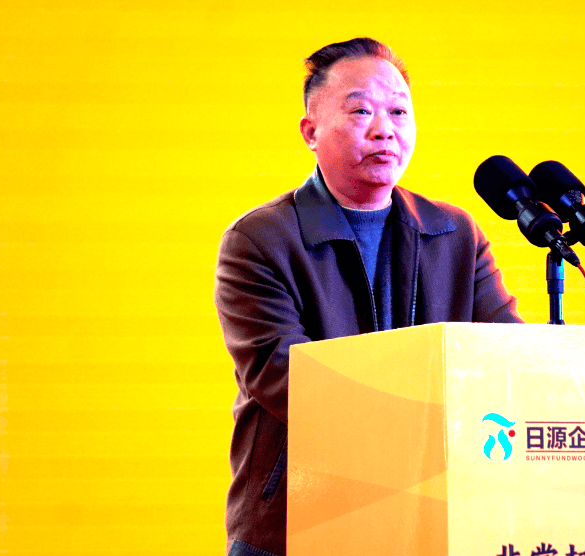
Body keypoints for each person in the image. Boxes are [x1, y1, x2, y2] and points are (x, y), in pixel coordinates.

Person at [214, 37, 522, 556]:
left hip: (431, 518)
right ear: (310, 132)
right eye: (361, 111)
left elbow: (504, 356)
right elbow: (287, 376)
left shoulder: (454, 233)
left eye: (398, 112)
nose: (384, 129)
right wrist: (429, 412)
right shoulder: (261, 240)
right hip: (293, 523)